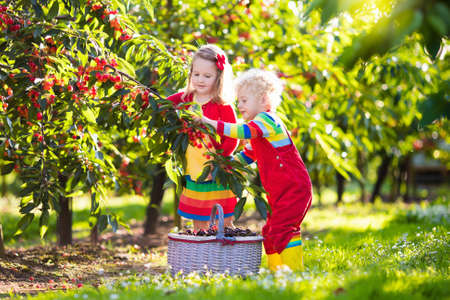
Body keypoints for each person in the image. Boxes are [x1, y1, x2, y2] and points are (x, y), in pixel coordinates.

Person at [200, 69, 312, 271]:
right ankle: (277, 271)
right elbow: (247, 156)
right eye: (238, 101)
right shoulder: (259, 131)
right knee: (270, 230)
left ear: (263, 100)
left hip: (294, 187)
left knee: (283, 228)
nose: (239, 106)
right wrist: (225, 165)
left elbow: (241, 130)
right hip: (279, 191)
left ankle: (294, 272)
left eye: (244, 100)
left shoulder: (267, 121)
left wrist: (211, 124)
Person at [167, 44, 238, 231]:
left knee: (223, 216)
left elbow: (232, 136)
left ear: (219, 78)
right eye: (196, 74)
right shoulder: (186, 98)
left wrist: (220, 159)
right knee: (199, 215)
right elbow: (163, 105)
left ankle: (224, 249)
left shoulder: (223, 106)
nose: (200, 80)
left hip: (216, 167)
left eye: (207, 76)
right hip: (195, 166)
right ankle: (202, 251)